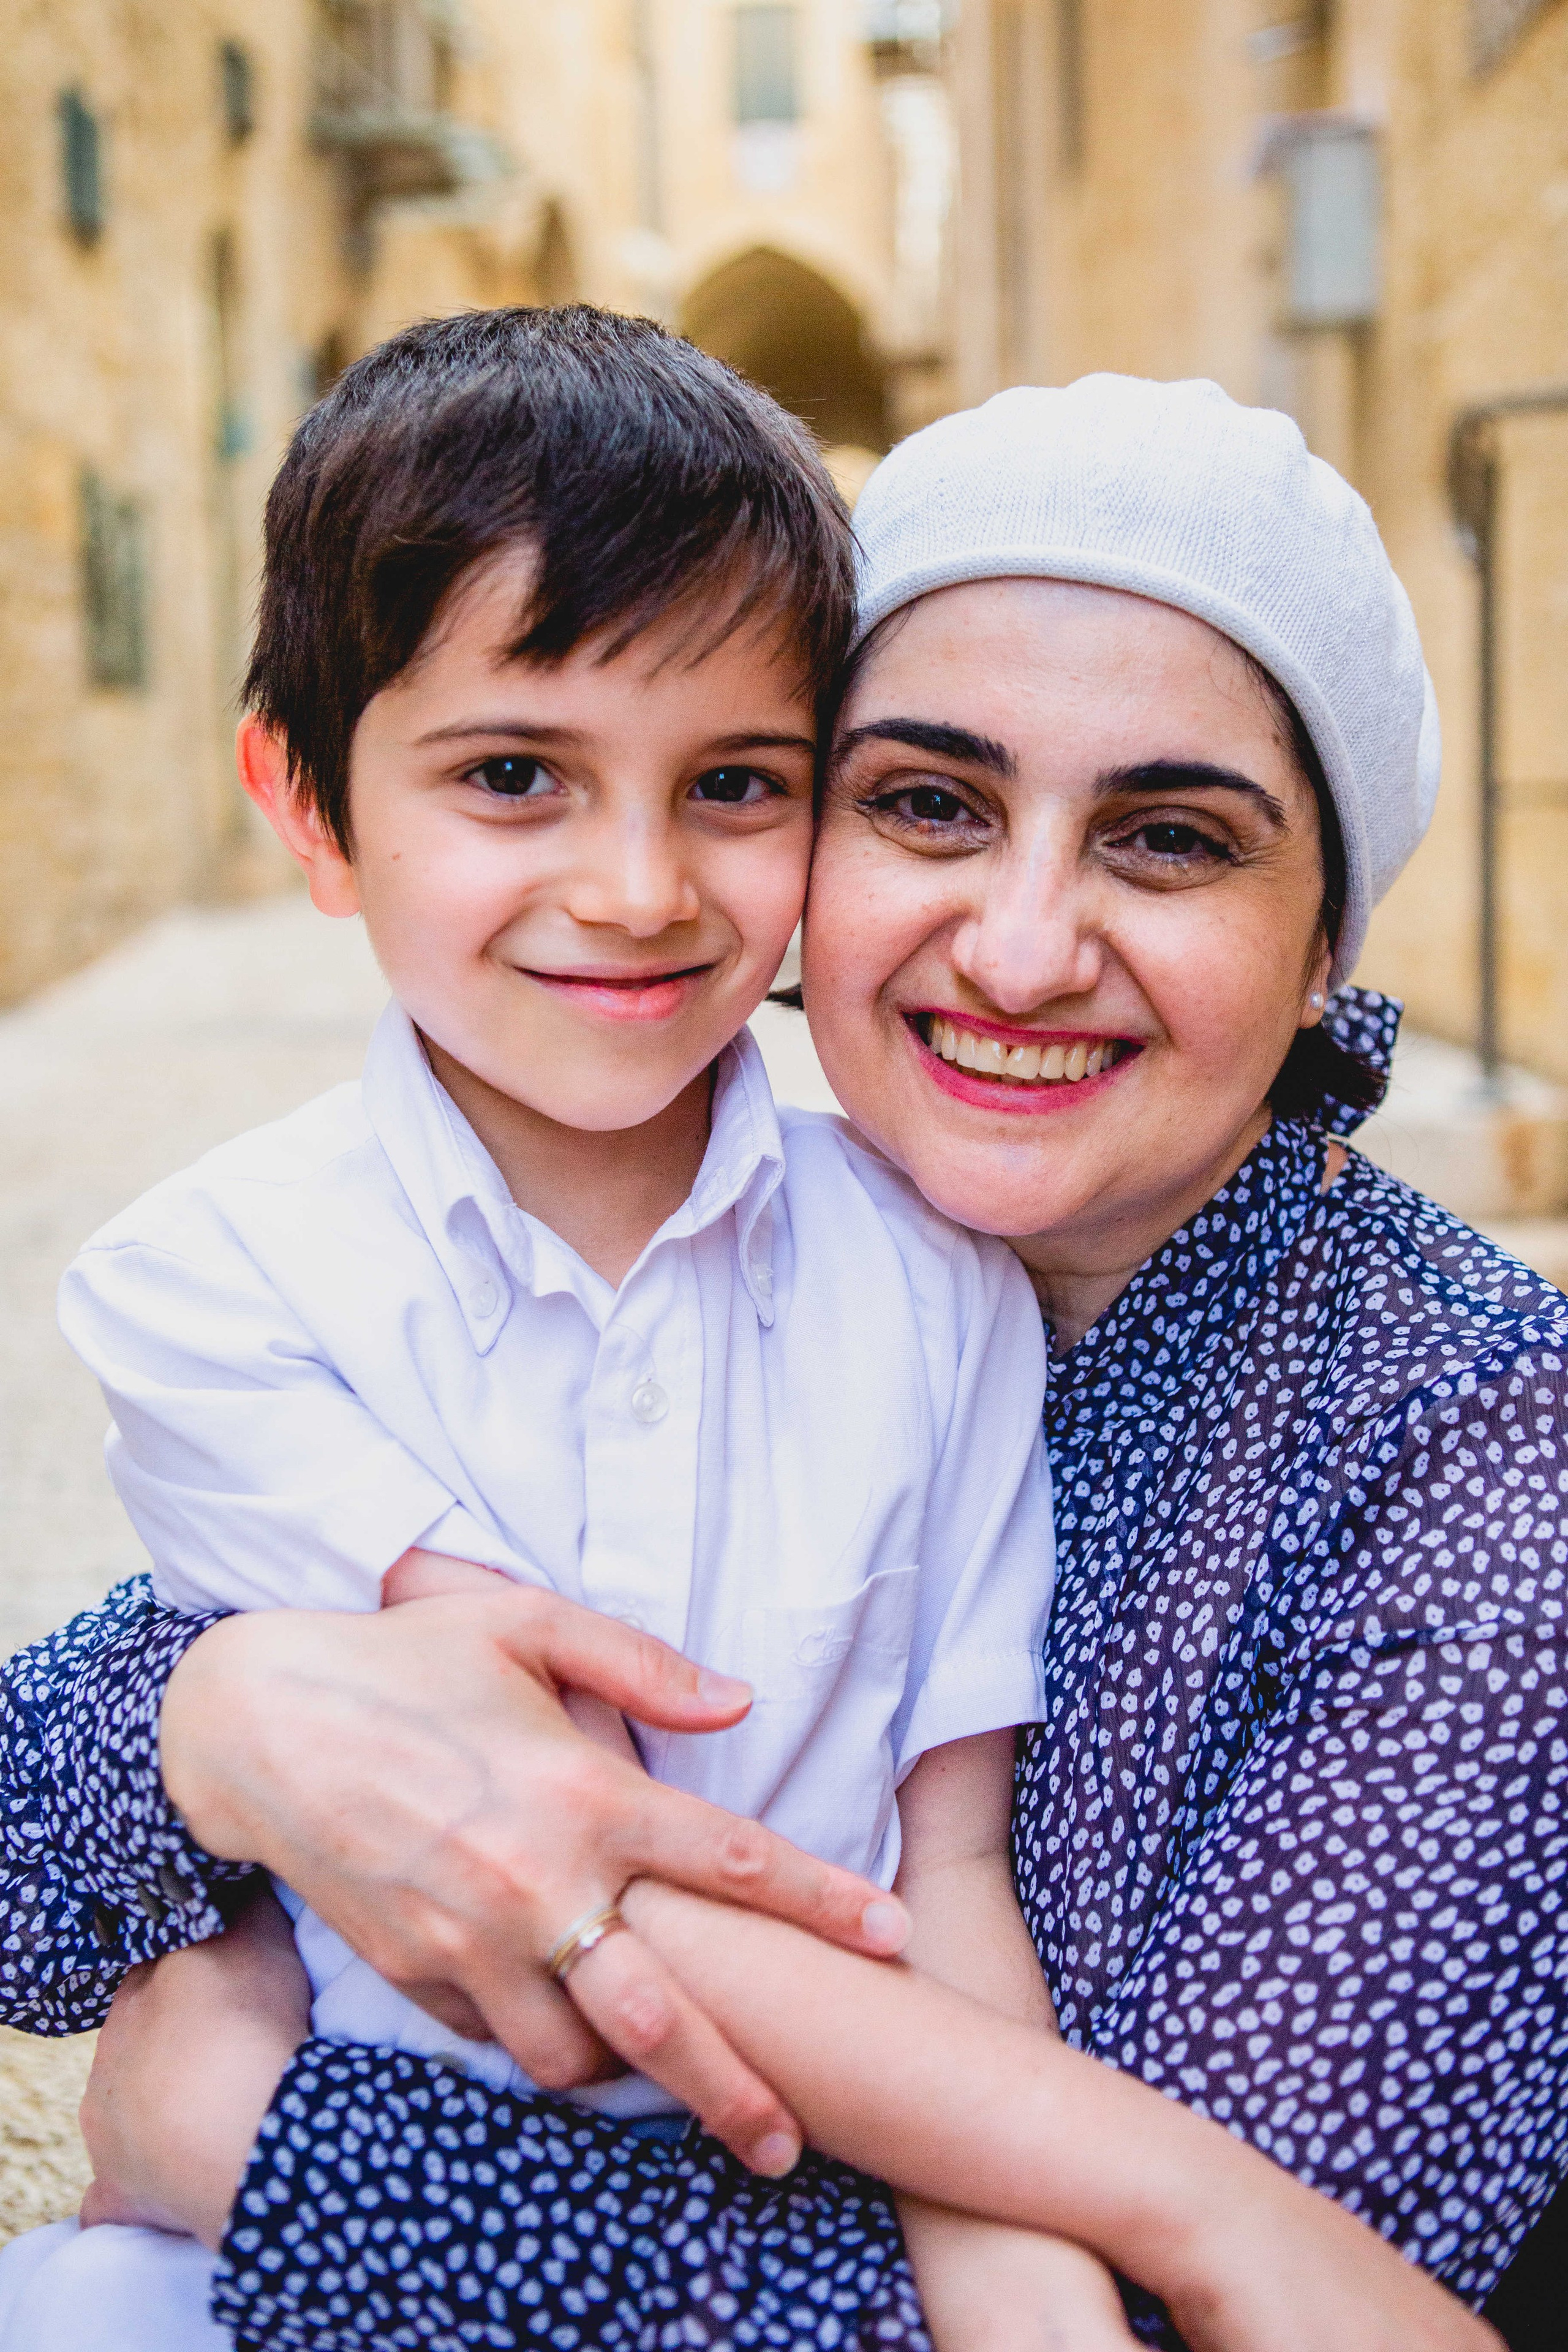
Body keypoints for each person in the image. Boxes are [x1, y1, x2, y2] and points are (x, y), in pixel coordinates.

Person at [2, 371, 1556, 2347]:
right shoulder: (558, 1260)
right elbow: (31, 1869)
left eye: (1169, 841)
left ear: (1330, 929)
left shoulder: (1478, 1464)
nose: (1016, 946)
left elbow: (1204, 2314)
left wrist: (261, 2142)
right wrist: (210, 1722)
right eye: (927, 802)